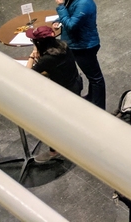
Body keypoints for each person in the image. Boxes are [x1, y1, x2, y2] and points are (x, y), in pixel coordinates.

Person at [25, 25, 82, 162]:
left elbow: (26, 74)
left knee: (52, 122)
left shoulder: (47, 59)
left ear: (39, 43)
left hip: (64, 93)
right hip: (76, 84)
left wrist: (32, 56)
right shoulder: (64, 46)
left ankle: (55, 150)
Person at [54, 0, 105, 109]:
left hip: (84, 46)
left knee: (95, 78)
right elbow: (72, 15)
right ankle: (92, 98)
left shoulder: (83, 3)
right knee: (92, 77)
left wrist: (60, 8)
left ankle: (99, 107)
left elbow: (71, 25)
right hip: (78, 43)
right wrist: (59, 20)